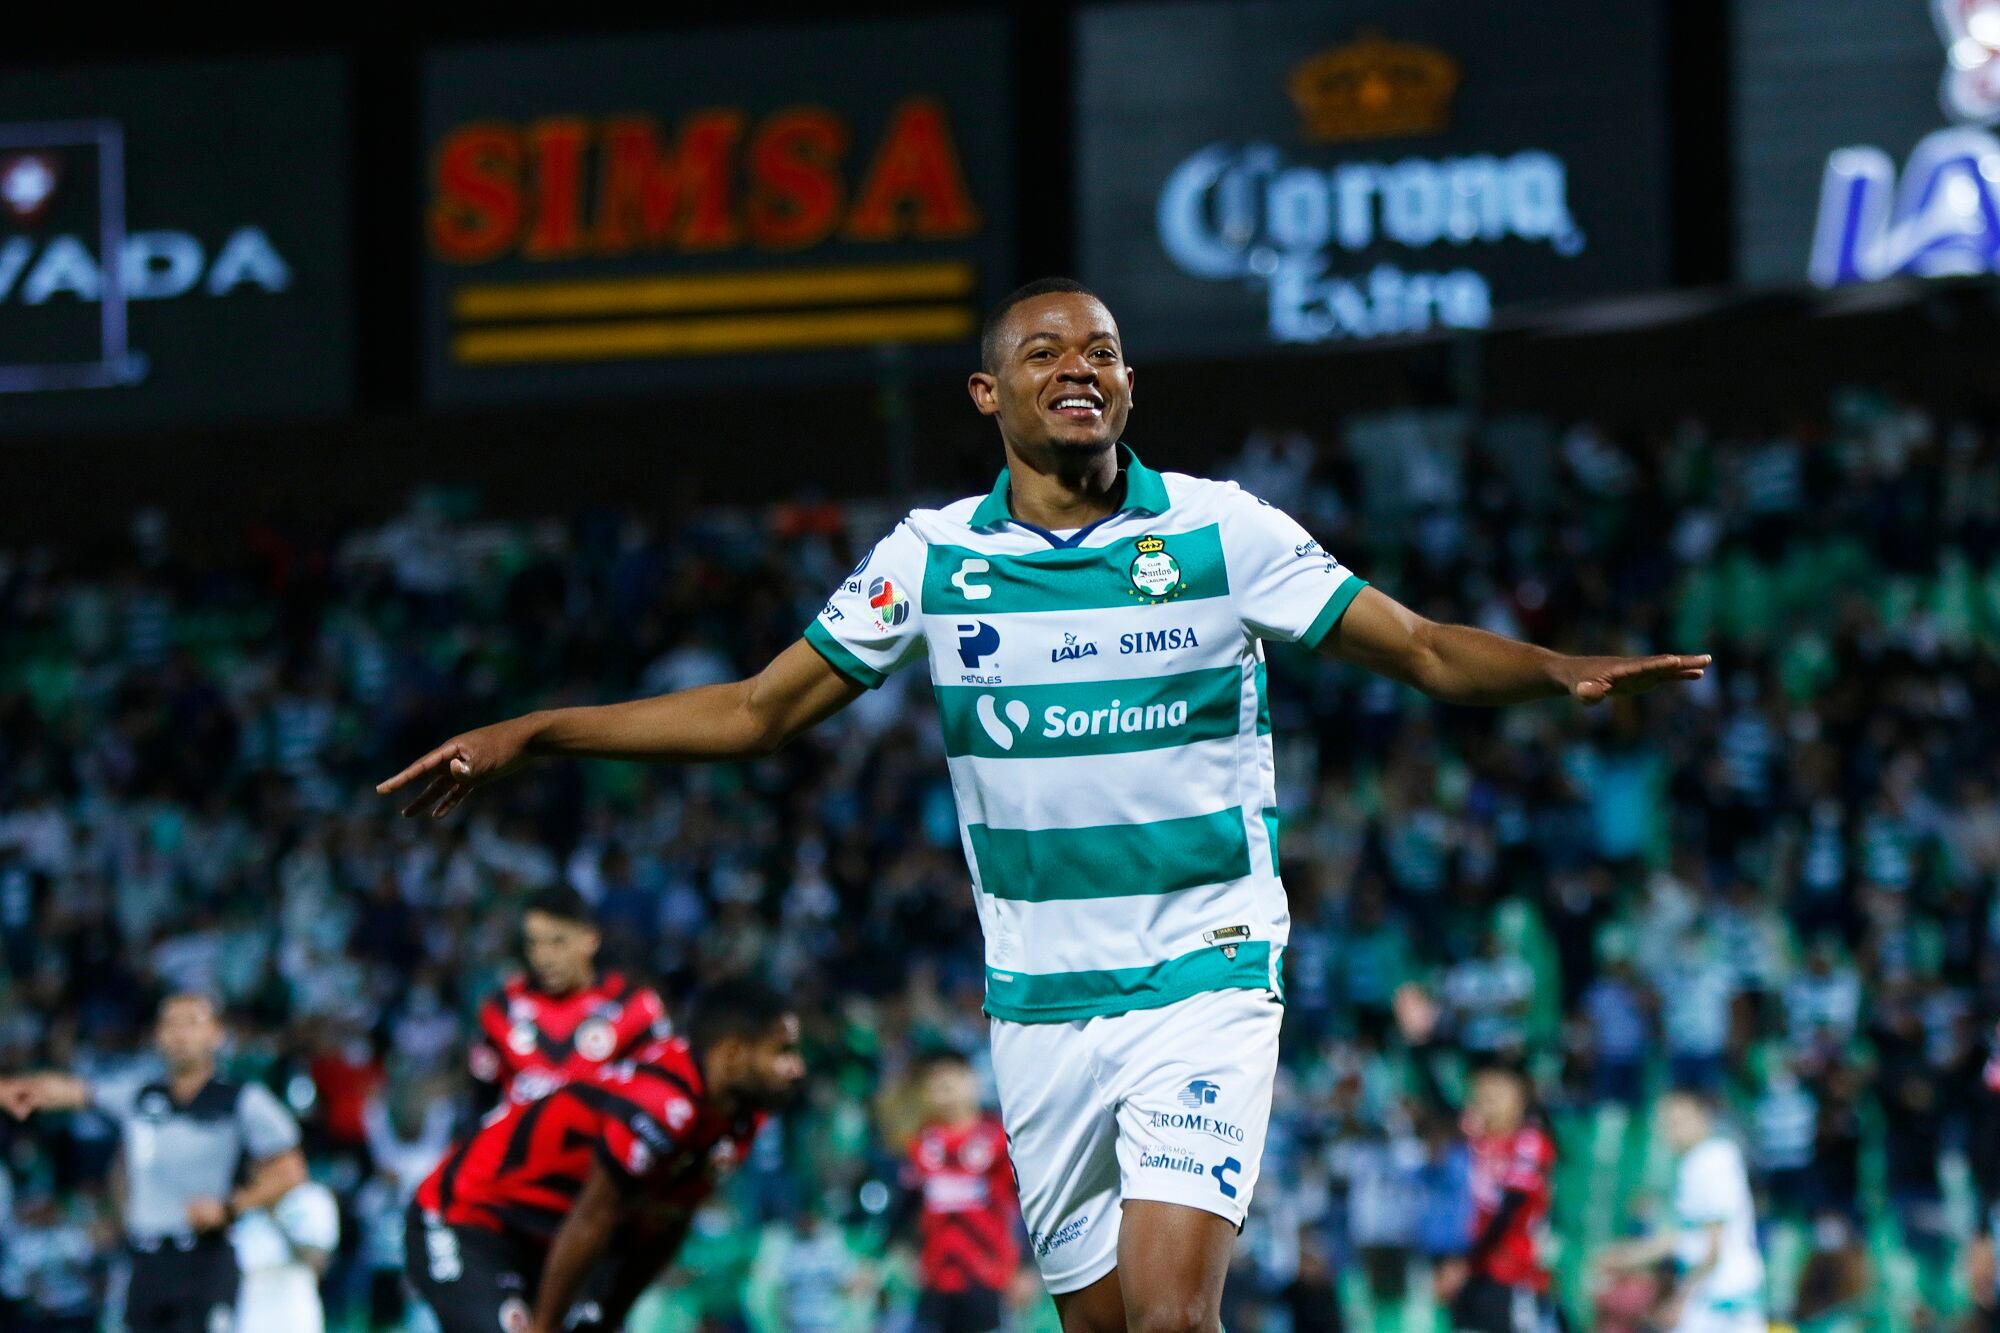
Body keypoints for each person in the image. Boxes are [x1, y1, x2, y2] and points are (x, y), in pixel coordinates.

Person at [378, 276, 1710, 1333]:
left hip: (1203, 972)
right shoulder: (931, 559)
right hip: (1038, 1004)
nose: (1080, 365)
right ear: (987, 392)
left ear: (1129, 384)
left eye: (1103, 350)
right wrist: (536, 732)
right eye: (1045, 351)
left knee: (1175, 1316)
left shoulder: (1220, 530)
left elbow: (1416, 645)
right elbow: (751, 711)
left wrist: (1555, 671)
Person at [405, 979, 804, 1333]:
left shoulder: (739, 1120)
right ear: (732, 1054)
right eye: (782, 1051)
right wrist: (545, 1327)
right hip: (464, 1219)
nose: (797, 1068)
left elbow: (669, 1222)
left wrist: (608, 1316)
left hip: (544, 1242)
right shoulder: (661, 1101)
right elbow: (594, 1214)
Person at [0, 992, 307, 1333]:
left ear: (217, 1035)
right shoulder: (139, 1096)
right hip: (145, 1260)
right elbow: (72, 1091)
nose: (180, 1035)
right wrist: (14, 1090)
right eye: (170, 1024)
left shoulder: (241, 1100)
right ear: (157, 1035)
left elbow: (290, 1171)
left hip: (204, 1258)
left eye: (191, 1023)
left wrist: (230, 1207)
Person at [1393, 983, 1561, 1333]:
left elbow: (1509, 1210)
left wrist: (1463, 1264)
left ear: (1520, 1096)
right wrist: (1418, 1043)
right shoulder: (1480, 1138)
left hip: (1514, 1275)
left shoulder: (1530, 1142)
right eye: (1481, 1091)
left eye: (1498, 1091)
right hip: (1476, 1271)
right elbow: (1439, 1104)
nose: (1487, 1099)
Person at [469, 883, 671, 1106]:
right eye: (533, 943)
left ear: (590, 939)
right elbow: (481, 1104)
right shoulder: (500, 1010)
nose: (543, 958)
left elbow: (665, 1097)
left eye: (558, 942)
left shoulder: (635, 1008)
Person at [1597, 1089, 1766, 1333]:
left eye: (1678, 1122)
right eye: (1666, 1124)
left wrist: (1682, 1297)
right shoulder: (1697, 1162)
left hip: (1720, 1296)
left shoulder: (1711, 1160)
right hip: (1716, 1292)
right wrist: (1629, 1257)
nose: (1671, 1131)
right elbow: (1682, 1238)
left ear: (1702, 1118)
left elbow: (1714, 1244)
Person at [895, 1051, 1022, 1333]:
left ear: (971, 1081)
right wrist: (898, 1254)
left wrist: (1025, 1266)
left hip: (986, 1275)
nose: (943, 1091)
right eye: (934, 1085)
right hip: (935, 1278)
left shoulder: (998, 1141)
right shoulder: (922, 1146)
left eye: (949, 1081)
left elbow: (1023, 1205)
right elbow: (906, 1207)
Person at [232, 1179, 339, 1333]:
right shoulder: (240, 1200)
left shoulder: (312, 1198)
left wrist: (275, 1213)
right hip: (248, 1301)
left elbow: (318, 1262)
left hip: (292, 1299)